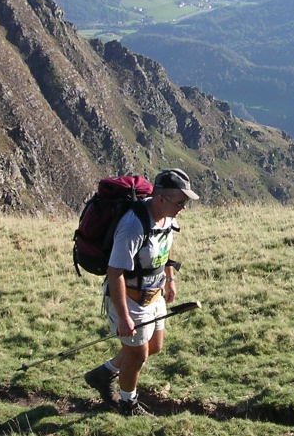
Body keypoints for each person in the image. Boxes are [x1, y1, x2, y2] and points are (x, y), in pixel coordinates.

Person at [83, 168, 199, 416]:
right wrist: (124, 317)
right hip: (129, 298)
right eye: (180, 202)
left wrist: (169, 280)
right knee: (138, 355)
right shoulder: (132, 227)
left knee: (154, 346)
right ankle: (128, 403)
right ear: (160, 198)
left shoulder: (168, 217)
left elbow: (164, 251)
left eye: (185, 202)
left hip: (154, 293)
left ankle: (103, 373)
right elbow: (115, 273)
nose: (183, 208)